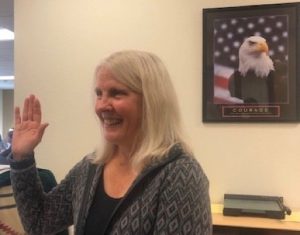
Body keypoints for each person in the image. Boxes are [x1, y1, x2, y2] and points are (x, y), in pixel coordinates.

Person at [9, 50, 212, 235]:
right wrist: (22, 158)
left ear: (151, 101)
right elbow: (40, 223)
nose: (102, 106)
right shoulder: (90, 167)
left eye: (116, 93)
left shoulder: (181, 174)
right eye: (99, 94)